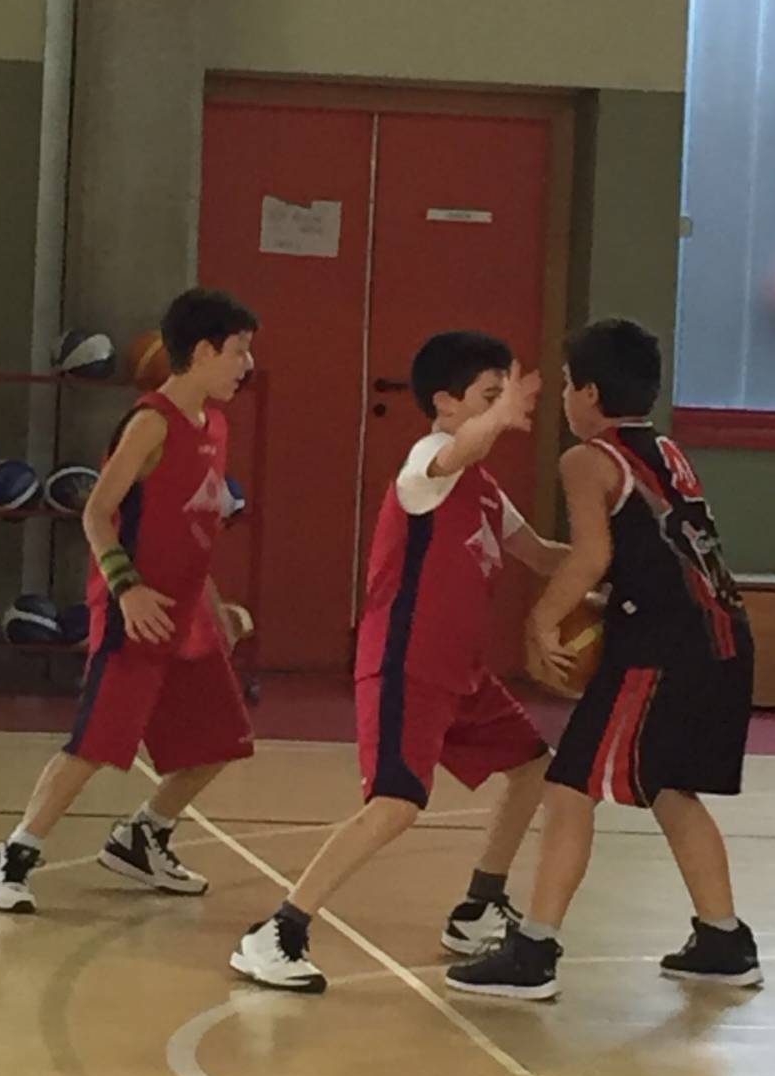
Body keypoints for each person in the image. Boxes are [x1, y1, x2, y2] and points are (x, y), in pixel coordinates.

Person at [232, 331, 567, 993]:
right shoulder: (427, 461)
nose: (504, 410)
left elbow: (540, 553)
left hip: (462, 674)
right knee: (395, 804)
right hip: (406, 664)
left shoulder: (485, 489)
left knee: (533, 767)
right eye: (490, 396)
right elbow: (456, 454)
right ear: (445, 403)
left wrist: (616, 567)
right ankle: (277, 931)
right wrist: (497, 420)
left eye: (505, 397)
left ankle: (478, 907)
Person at [447, 318, 761, 1000]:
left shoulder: (587, 459)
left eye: (565, 383)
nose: (563, 396)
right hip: (725, 636)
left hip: (662, 647)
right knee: (670, 786)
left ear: (588, 392)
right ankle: (724, 938)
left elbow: (594, 553)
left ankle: (533, 950)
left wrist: (541, 617)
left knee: (569, 788)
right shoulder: (667, 451)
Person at [0, 288, 259, 913]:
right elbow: (97, 514)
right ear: (203, 351)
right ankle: (14, 853)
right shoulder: (151, 422)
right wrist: (126, 588)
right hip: (133, 610)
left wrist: (212, 603)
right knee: (96, 744)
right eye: (239, 351)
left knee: (220, 740)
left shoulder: (215, 424)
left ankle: (142, 837)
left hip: (187, 612)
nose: (247, 364)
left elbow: (192, 527)